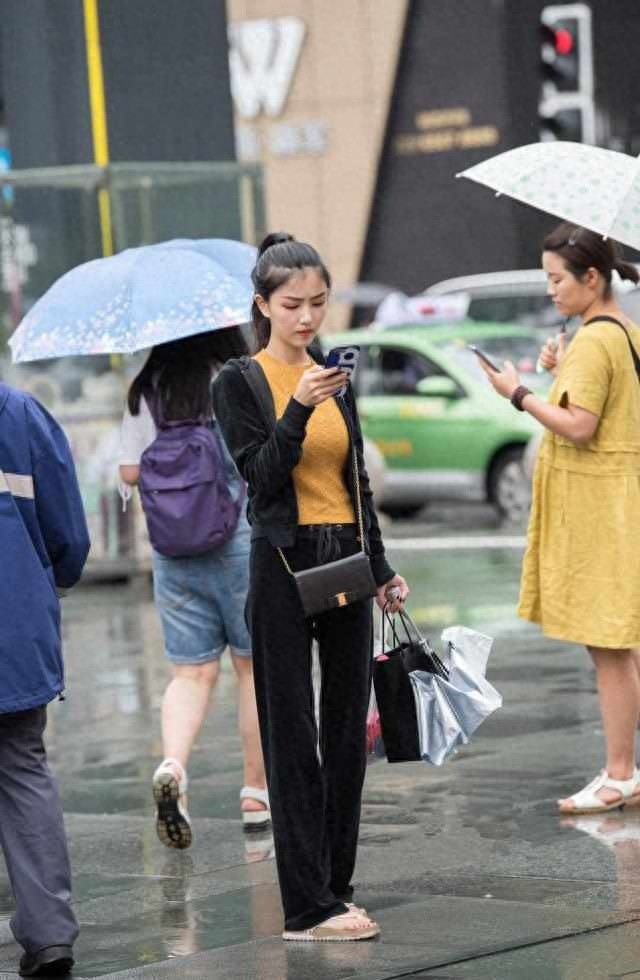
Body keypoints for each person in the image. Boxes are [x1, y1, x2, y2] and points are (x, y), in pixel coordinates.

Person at [212, 233, 409, 942]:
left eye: (319, 303)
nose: (306, 317)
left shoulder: (333, 373)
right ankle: (305, 907)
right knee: (291, 738)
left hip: (347, 561)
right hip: (283, 566)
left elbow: (355, 483)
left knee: (347, 734)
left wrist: (381, 567)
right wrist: (296, 406)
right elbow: (259, 477)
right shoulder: (238, 380)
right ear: (262, 304)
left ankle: (337, 888)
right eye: (292, 304)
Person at [479, 221, 640, 815]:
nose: (549, 289)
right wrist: (559, 370)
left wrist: (518, 392)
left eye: (556, 278)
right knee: (621, 643)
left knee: (609, 644)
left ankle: (620, 772)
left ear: (591, 278)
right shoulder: (619, 332)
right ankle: (624, 768)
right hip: (618, 498)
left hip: (600, 505)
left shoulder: (598, 339)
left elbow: (581, 426)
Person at [119, 328, 269, 850]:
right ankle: (255, 795)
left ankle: (174, 767)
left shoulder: (146, 388)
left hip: (173, 550)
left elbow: (129, 470)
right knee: (252, 667)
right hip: (237, 542)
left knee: (191, 673)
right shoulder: (231, 375)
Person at [0, 381, 90, 977]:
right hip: (13, 625)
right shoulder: (18, 411)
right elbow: (69, 537)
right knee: (24, 769)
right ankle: (50, 936)